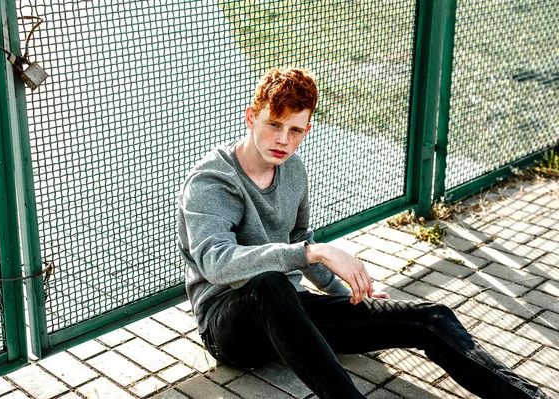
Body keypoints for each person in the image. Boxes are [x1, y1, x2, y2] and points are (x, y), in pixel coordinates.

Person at [177, 67, 550, 399]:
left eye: (295, 130)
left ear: (307, 131)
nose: (283, 140)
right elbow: (216, 263)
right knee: (270, 284)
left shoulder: (293, 171)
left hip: (290, 313)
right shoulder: (212, 181)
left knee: (429, 317)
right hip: (229, 325)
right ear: (251, 117)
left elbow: (298, 237)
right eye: (274, 124)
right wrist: (314, 252)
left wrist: (347, 295)